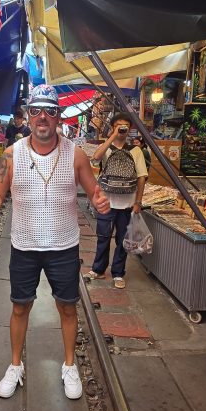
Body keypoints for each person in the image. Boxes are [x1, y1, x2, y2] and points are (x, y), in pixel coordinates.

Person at [0, 84, 110, 400]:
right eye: (35, 110)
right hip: (24, 245)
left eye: (49, 111)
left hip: (63, 245)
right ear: (28, 114)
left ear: (58, 116)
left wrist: (100, 200)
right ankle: (14, 364)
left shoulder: (75, 155)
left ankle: (68, 365)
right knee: (20, 307)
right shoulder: (12, 154)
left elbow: (94, 189)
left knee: (67, 307)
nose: (42, 117)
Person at [86, 111, 148, 289]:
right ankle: (98, 269)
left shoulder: (136, 151)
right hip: (106, 202)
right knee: (103, 237)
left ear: (130, 129)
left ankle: (118, 273)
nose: (122, 129)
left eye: (125, 126)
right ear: (112, 128)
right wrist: (112, 136)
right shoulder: (106, 148)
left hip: (127, 204)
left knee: (122, 240)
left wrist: (138, 202)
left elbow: (141, 178)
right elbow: (95, 158)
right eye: (118, 126)